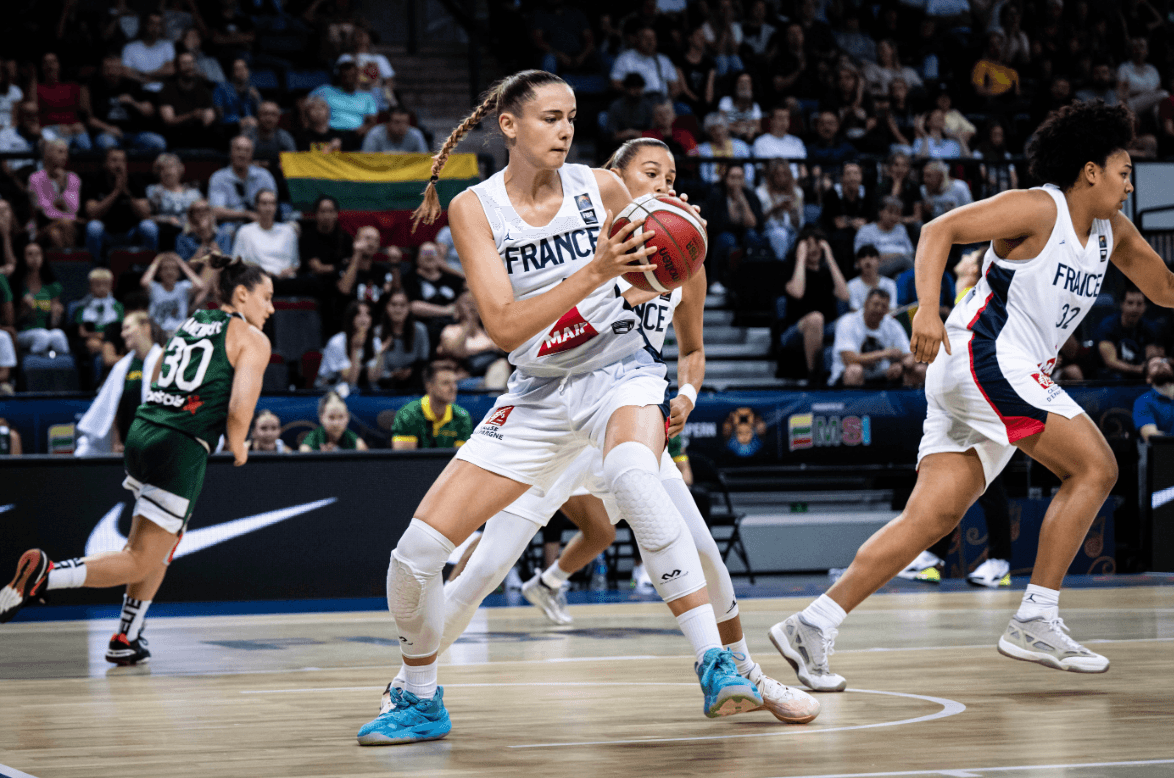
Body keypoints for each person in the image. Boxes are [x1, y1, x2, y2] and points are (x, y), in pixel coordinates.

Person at [357, 70, 764, 747]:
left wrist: (675, 236)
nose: (566, 129)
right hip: (538, 393)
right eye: (550, 117)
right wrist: (596, 272)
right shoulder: (473, 209)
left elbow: (643, 275)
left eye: (572, 117)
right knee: (417, 553)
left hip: (617, 374)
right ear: (509, 126)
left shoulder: (601, 187)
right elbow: (508, 329)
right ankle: (419, 694)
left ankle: (716, 662)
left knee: (636, 477)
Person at [400, 136, 818, 722]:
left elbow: (692, 348)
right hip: (556, 410)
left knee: (705, 556)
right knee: (485, 569)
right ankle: (411, 686)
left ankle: (742, 672)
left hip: (627, 408)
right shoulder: (582, 243)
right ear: (613, 183)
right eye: (652, 173)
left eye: (673, 175)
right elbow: (544, 333)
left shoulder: (682, 256)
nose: (666, 185)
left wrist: (689, 395)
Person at [770, 101, 1156, 689]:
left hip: (988, 375)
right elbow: (937, 230)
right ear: (1090, 171)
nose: (1131, 185)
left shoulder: (1113, 233)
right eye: (1124, 171)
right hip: (985, 357)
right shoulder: (1037, 206)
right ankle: (1036, 616)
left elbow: (1167, 289)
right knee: (1096, 468)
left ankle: (813, 622)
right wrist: (926, 309)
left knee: (932, 516)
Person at [0, 254, 274, 667]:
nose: (270, 308)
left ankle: (126, 637)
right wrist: (238, 446)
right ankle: (46, 575)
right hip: (181, 445)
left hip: (144, 430)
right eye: (266, 297)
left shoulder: (192, 321)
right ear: (241, 293)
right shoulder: (252, 337)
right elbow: (239, 410)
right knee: (138, 558)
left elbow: (162, 367)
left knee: (159, 544)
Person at [74, 311, 163, 455]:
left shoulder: (164, 361)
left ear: (145, 328)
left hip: (157, 445)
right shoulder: (122, 367)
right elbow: (112, 407)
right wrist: (116, 442)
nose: (122, 334)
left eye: (127, 328)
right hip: (128, 446)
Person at [780, 225, 849, 379]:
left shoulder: (826, 271)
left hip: (827, 325)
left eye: (817, 244)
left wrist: (830, 258)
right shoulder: (790, 269)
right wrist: (801, 259)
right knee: (816, 318)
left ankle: (846, 375)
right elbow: (797, 292)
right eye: (808, 245)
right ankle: (814, 375)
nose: (814, 249)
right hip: (796, 328)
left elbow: (844, 295)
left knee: (849, 320)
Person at [828, 287, 923, 387]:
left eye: (883, 306)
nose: (879, 309)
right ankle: (852, 402)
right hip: (846, 379)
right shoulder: (847, 321)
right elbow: (849, 359)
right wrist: (884, 353)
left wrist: (901, 366)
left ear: (887, 309)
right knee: (854, 371)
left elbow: (911, 355)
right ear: (866, 304)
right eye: (876, 304)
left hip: (885, 376)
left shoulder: (892, 324)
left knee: (920, 370)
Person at [83, 148, 158, 263]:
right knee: (94, 227)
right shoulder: (95, 180)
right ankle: (95, 267)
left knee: (149, 227)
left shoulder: (134, 180)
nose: (118, 165)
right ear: (105, 164)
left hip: (131, 233)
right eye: (114, 160)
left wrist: (126, 193)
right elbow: (92, 213)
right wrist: (116, 192)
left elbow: (145, 214)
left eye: (122, 161)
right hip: (106, 233)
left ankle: (148, 267)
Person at [208, 136, 277, 245]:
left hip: (262, 220)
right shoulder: (218, 178)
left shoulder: (264, 176)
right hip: (232, 224)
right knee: (225, 231)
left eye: (246, 150)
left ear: (252, 154)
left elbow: (273, 205)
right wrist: (246, 214)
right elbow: (216, 211)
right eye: (238, 149)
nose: (242, 154)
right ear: (231, 152)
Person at [391, 362, 472, 449]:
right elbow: (404, 459)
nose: (453, 388)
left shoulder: (462, 417)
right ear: (429, 386)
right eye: (446, 383)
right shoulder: (407, 414)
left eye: (455, 383)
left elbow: (462, 459)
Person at [1093, 285, 1162, 379]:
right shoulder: (1107, 326)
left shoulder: (1149, 328)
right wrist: (1141, 369)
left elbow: (1152, 357)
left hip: (1140, 378)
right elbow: (1111, 362)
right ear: (1122, 304)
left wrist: (1152, 365)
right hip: (1109, 380)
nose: (1134, 308)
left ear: (1145, 307)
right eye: (1130, 303)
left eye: (1139, 304)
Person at [12, 243, 69, 356]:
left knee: (59, 335)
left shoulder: (52, 286)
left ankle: (62, 369)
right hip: (23, 332)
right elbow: (11, 320)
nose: (35, 258)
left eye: (38, 254)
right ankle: (32, 367)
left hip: (44, 329)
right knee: (41, 336)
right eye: (30, 254)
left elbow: (53, 324)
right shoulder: (16, 285)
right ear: (22, 258)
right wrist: (24, 309)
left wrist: (56, 315)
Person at [230, 189, 298, 278]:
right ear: (256, 206)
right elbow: (237, 262)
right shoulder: (245, 231)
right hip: (257, 279)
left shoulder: (288, 231)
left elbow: (295, 264)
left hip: (285, 280)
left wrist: (288, 271)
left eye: (272, 203)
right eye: (264, 203)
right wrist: (263, 272)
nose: (268, 208)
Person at [28, 139, 82, 249]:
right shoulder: (36, 179)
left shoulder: (72, 178)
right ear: (48, 154)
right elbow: (46, 211)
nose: (64, 156)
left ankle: (68, 262)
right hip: (42, 226)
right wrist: (66, 218)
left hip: (67, 225)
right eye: (60, 152)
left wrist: (62, 185)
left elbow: (73, 207)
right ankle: (68, 261)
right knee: (56, 232)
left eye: (66, 152)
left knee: (56, 233)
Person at [316, 299, 380, 390]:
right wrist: (356, 349)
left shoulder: (375, 341)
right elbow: (350, 381)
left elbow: (372, 378)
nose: (364, 319)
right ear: (350, 317)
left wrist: (381, 351)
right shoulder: (337, 342)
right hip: (329, 387)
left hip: (360, 388)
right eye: (358, 314)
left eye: (367, 314)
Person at [158, 51, 217, 149]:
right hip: (176, 136)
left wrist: (208, 117)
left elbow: (209, 113)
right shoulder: (167, 89)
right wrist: (192, 115)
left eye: (191, 63)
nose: (189, 67)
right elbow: (168, 120)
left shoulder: (203, 88)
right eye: (185, 64)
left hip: (199, 134)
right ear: (177, 68)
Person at [373, 288, 429, 392]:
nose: (398, 309)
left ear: (408, 308)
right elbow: (375, 370)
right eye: (393, 305)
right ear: (387, 307)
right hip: (384, 385)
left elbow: (423, 363)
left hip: (413, 384)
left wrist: (409, 372)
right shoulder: (377, 332)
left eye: (402, 305)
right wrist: (392, 375)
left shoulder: (420, 330)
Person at [140, 251, 208, 335]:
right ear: (159, 273)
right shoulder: (155, 288)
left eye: (173, 268)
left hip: (178, 332)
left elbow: (200, 285)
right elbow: (144, 282)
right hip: (157, 333)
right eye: (165, 268)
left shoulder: (183, 287)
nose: (169, 272)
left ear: (178, 273)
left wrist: (181, 263)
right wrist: (157, 260)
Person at [309, 61, 378, 140]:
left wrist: (364, 129)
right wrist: (307, 124)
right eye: (346, 76)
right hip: (328, 132)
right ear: (340, 77)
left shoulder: (367, 97)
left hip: (355, 135)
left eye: (352, 76)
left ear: (357, 77)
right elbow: (302, 102)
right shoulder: (325, 91)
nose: (349, 80)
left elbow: (372, 121)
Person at [36, 52, 91, 151]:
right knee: (58, 150)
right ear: (42, 67)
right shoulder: (38, 88)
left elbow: (86, 114)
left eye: (53, 62)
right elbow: (34, 113)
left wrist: (80, 124)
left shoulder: (72, 87)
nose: (50, 66)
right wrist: (58, 126)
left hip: (74, 128)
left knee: (85, 147)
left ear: (59, 65)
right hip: (49, 129)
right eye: (46, 62)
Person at [147, 153, 202, 250]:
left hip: (191, 230)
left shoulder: (193, 192)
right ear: (157, 172)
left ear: (180, 169)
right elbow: (148, 216)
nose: (167, 172)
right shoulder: (154, 190)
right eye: (162, 168)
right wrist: (167, 220)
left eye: (171, 167)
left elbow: (203, 214)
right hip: (165, 231)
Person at [73, 267, 124, 370]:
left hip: (114, 340)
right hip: (93, 340)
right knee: (93, 344)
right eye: (97, 284)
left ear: (111, 285)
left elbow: (120, 328)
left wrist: (107, 338)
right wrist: (98, 335)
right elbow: (81, 332)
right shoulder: (82, 306)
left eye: (105, 284)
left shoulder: (118, 306)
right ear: (90, 286)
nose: (101, 288)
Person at [609, 25, 679, 100]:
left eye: (653, 38)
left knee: (684, 109)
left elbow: (675, 86)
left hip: (661, 102)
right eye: (645, 38)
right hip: (636, 103)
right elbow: (615, 83)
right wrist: (631, 93)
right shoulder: (625, 58)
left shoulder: (664, 60)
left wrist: (668, 101)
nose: (650, 41)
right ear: (637, 39)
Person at [853, 196, 916, 277]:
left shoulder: (901, 229)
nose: (893, 216)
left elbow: (910, 253)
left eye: (897, 213)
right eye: (890, 212)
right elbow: (862, 257)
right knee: (905, 261)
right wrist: (897, 257)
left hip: (902, 269)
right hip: (877, 269)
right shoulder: (866, 230)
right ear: (880, 212)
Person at [756, 159, 804, 262]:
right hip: (769, 231)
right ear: (771, 176)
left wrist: (793, 212)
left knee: (802, 237)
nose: (781, 178)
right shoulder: (761, 192)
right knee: (780, 234)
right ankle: (781, 265)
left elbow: (799, 224)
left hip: (793, 231)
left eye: (785, 174)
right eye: (777, 174)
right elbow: (758, 221)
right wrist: (774, 209)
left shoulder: (797, 192)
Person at [120, 13, 176, 92]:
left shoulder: (167, 45)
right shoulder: (129, 47)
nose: (155, 28)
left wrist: (143, 74)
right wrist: (147, 79)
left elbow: (170, 70)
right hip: (137, 90)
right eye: (152, 23)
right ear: (144, 25)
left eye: (159, 24)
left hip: (164, 91)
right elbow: (126, 72)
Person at [300, 195, 352, 276]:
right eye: (322, 211)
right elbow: (318, 268)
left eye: (331, 211)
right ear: (316, 214)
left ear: (336, 214)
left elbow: (350, 264)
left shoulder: (346, 238)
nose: (327, 216)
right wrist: (340, 266)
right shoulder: (307, 237)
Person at [300, 390, 369, 451]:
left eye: (341, 417)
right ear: (321, 418)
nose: (336, 423)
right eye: (331, 417)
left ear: (347, 417)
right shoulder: (308, 446)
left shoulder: (358, 445)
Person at [752, 107, 807, 178]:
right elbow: (761, 169)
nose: (784, 122)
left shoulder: (797, 142)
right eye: (780, 118)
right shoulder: (760, 142)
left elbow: (803, 169)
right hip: (769, 185)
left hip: (794, 184)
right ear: (771, 120)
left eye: (786, 118)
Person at [212, 58, 261, 134]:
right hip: (229, 126)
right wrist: (240, 121)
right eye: (238, 69)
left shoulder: (252, 91)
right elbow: (219, 115)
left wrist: (257, 99)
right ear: (232, 73)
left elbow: (261, 114)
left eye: (244, 68)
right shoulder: (221, 88)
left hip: (251, 125)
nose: (242, 71)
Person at [846, 244, 898, 312]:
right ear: (857, 264)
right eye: (863, 257)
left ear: (879, 261)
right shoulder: (852, 285)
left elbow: (893, 309)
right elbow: (855, 311)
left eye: (871, 256)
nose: (867, 260)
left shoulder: (890, 284)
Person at [245, 101, 296, 168]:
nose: (269, 118)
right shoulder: (248, 136)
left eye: (273, 115)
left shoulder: (284, 137)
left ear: (278, 117)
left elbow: (293, 161)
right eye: (265, 114)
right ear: (258, 116)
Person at [1134, 356, 1174, 441]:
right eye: (1154, 365)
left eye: (1164, 362)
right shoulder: (1143, 401)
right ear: (1148, 378)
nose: (1161, 364)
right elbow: (1151, 436)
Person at [362, 106, 428, 154]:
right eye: (397, 122)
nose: (402, 126)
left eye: (405, 122)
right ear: (387, 123)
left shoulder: (416, 135)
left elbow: (424, 161)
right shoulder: (374, 134)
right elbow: (367, 160)